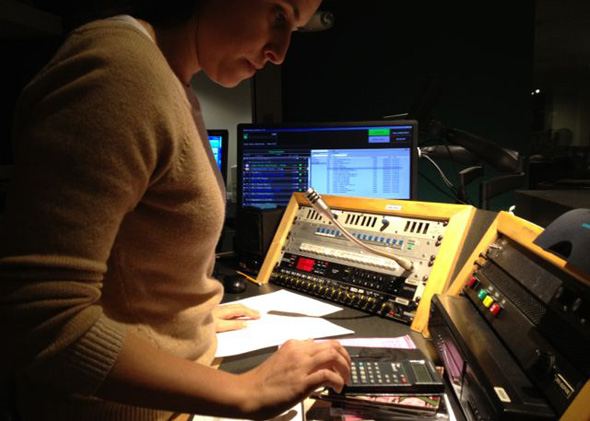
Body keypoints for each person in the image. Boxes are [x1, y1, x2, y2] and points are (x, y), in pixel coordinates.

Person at [0, 1, 351, 420]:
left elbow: (131, 265)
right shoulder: (118, 70)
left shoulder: (169, 80)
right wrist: (247, 391)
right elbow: (39, 316)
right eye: (278, 15)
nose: (280, 51)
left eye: (294, 28)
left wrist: (185, 317)